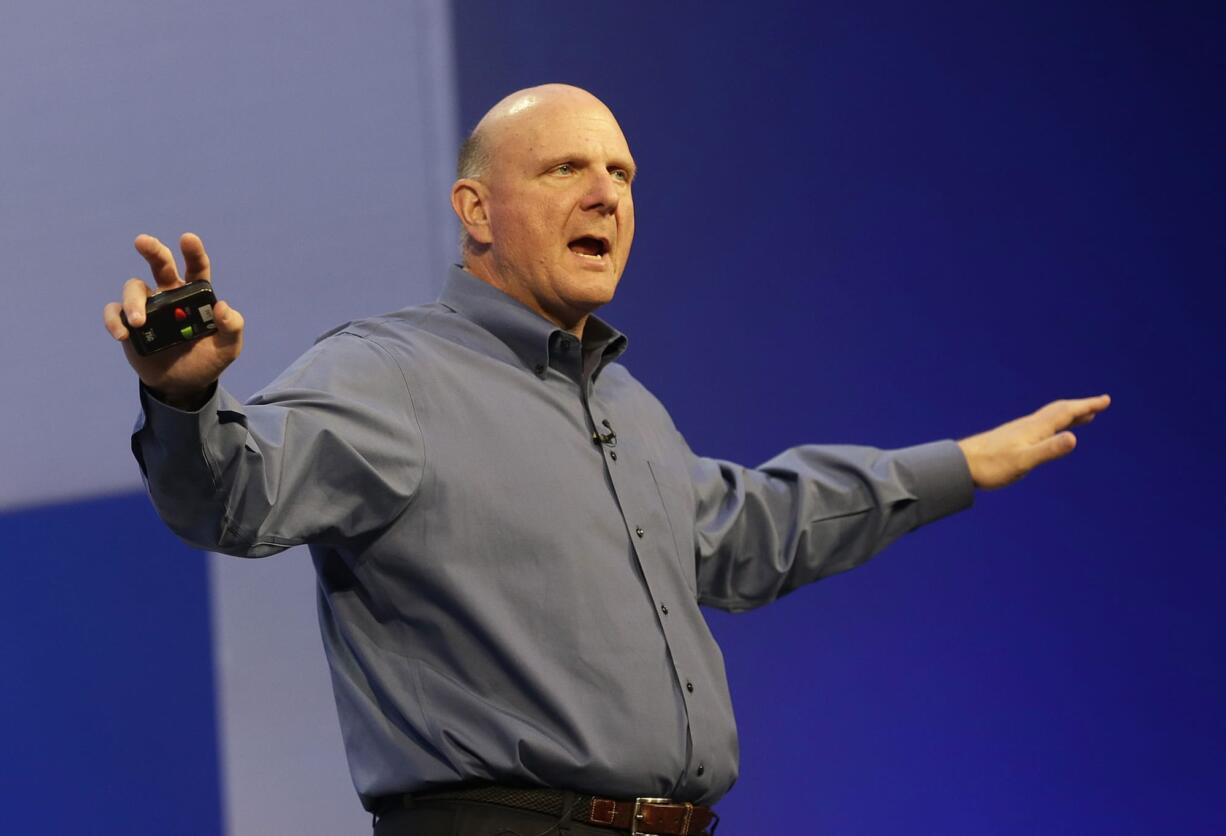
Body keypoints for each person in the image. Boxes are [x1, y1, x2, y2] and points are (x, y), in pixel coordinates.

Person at [102, 84, 1110, 835]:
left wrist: (951, 467)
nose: (606, 194)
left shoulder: (623, 403)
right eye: (564, 170)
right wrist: (184, 392)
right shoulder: (387, 370)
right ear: (476, 210)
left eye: (621, 174)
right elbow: (234, 499)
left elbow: (739, 528)